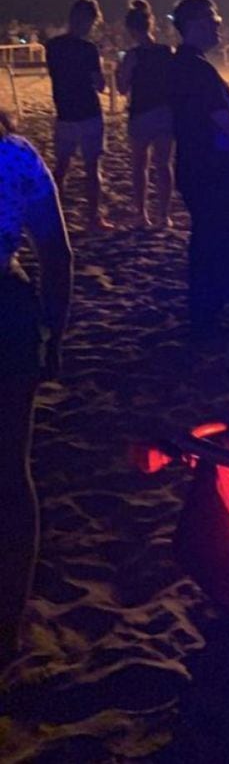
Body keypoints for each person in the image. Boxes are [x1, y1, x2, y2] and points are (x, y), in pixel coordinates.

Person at [0, 112, 72, 666]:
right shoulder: (16, 155)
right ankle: (10, 619)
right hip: (9, 312)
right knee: (10, 470)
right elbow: (57, 254)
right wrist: (54, 330)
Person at [168, 0, 229, 333]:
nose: (218, 24)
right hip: (211, 169)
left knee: (207, 238)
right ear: (194, 24)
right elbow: (224, 121)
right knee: (227, 237)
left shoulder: (182, 65)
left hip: (193, 165)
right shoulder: (198, 69)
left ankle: (206, 310)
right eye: (212, 19)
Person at [44, 0, 112, 230]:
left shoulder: (52, 46)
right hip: (88, 111)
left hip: (65, 111)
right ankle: (93, 217)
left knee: (62, 167)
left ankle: (53, 215)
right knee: (92, 168)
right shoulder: (88, 49)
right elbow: (100, 84)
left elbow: (57, 76)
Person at [115, 0, 174, 228]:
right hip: (165, 111)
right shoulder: (167, 51)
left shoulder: (133, 56)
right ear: (151, 25)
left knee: (140, 166)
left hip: (141, 112)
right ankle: (164, 215)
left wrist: (120, 72)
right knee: (164, 165)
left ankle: (142, 214)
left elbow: (122, 88)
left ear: (131, 29)